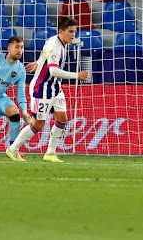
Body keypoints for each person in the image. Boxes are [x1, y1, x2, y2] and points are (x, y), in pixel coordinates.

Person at [7, 17, 90, 163]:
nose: (73, 35)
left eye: (74, 32)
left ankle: (50, 153)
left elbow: (45, 56)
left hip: (55, 88)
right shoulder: (55, 46)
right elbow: (53, 71)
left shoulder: (57, 41)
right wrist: (77, 75)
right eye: (70, 32)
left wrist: (38, 63)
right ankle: (13, 149)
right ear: (61, 31)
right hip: (42, 88)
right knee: (37, 124)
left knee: (62, 118)